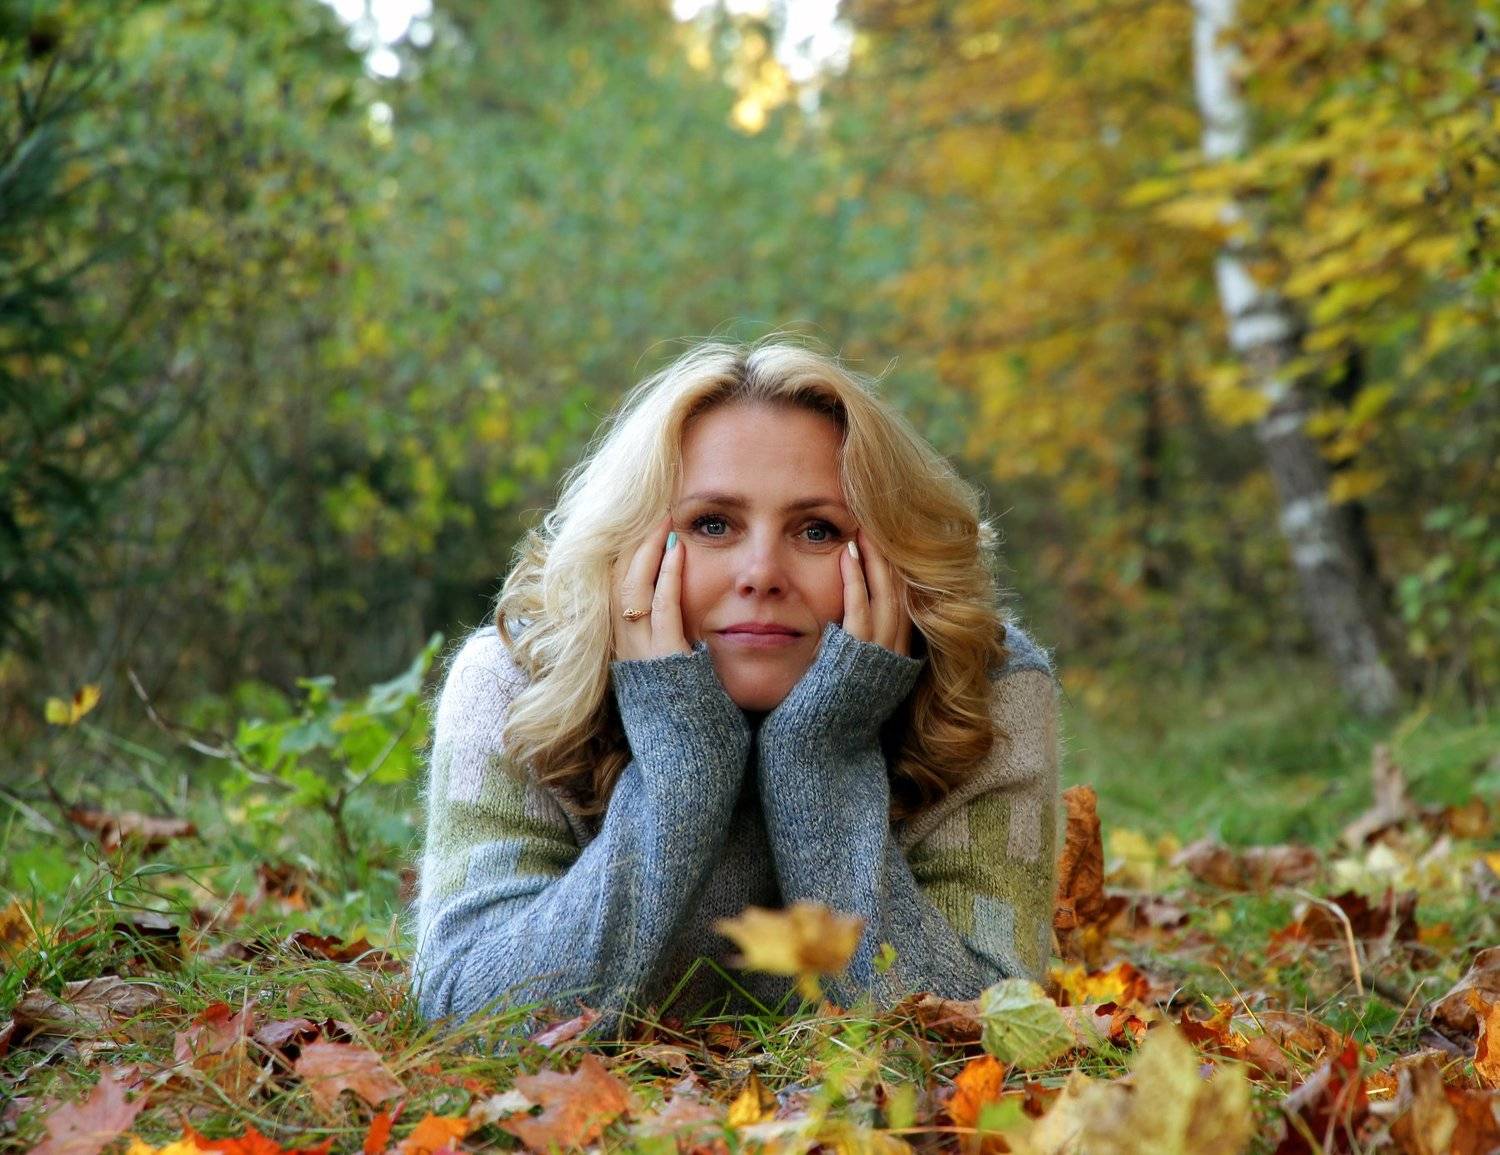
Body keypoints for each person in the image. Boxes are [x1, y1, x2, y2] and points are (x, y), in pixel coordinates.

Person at [411, 337, 1061, 1033]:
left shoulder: (985, 690)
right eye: (713, 524)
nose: (761, 574)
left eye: (817, 531)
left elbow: (988, 1031)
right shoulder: (515, 681)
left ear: (890, 557)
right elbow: (464, 1014)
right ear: (628, 547)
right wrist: (681, 759)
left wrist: (822, 757)